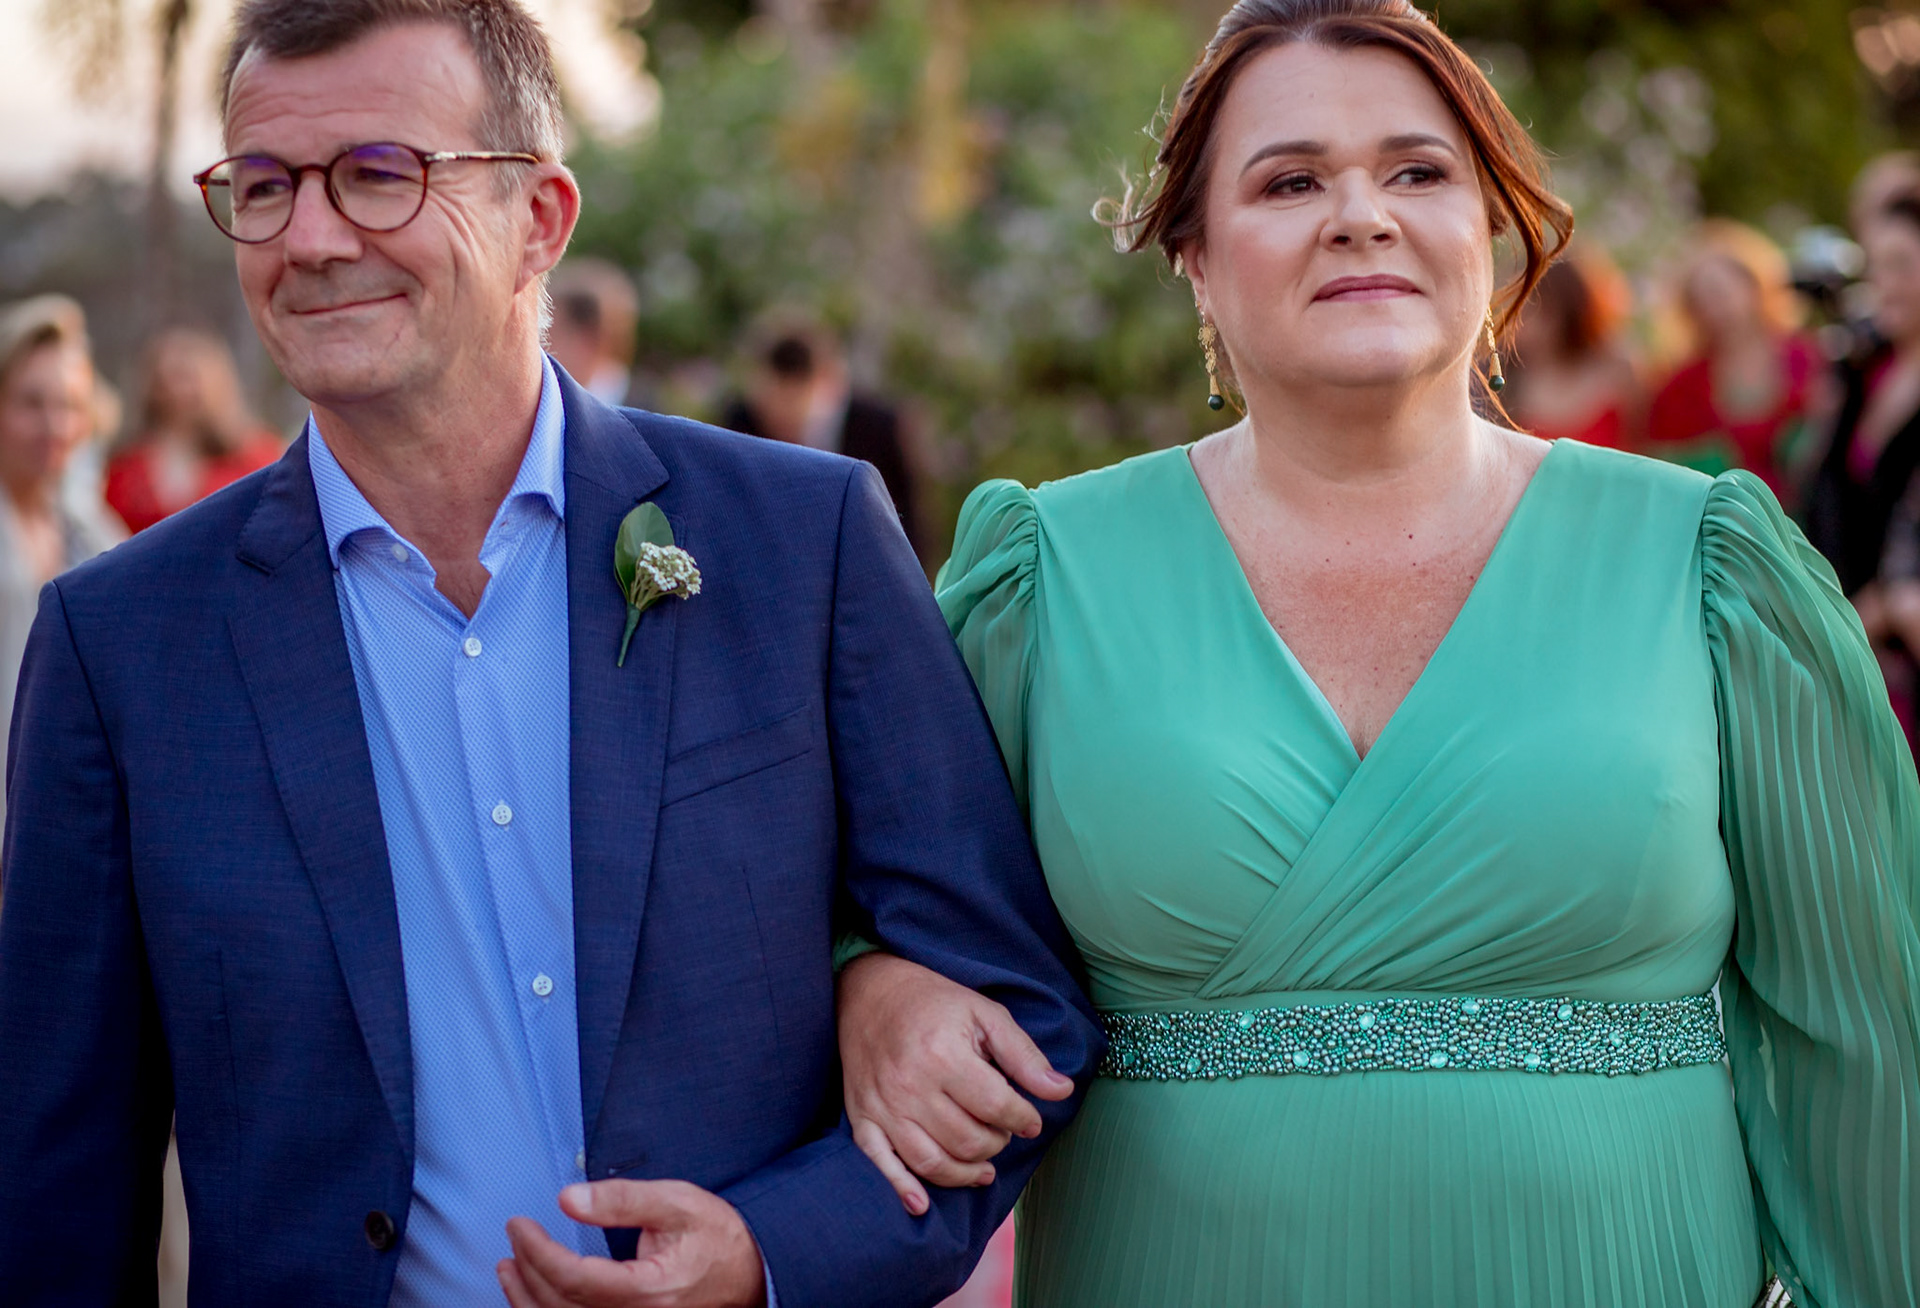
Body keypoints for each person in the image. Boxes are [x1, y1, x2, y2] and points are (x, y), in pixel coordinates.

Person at [0, 3, 1101, 1306]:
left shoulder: (801, 543)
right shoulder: (121, 645)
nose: (309, 238)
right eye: (265, 185)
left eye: (377, 174)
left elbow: (1015, 1006)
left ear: (541, 217)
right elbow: (58, 1182)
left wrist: (771, 1254)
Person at [833, 2, 1920, 1305]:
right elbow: (859, 903)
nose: (1361, 216)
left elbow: (1867, 1041)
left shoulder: (1709, 565)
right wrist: (869, 988)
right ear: (1194, 256)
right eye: (1291, 181)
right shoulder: (1043, 581)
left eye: (1417, 172)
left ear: (1490, 226)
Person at [0, 295, 122, 848]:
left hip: (58, 830)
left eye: (70, 405)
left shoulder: (94, 533)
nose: (54, 425)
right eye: (31, 403)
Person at [1807, 191, 1920, 754]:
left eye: (1901, 264)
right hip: (1854, 647)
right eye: (1875, 266)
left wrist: (1879, 608)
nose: (1884, 283)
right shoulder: (1863, 371)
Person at [1644, 220, 1822, 504]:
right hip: (1727, 521)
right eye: (1700, 300)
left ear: (1754, 285)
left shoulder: (1807, 357)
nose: (1714, 308)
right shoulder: (1681, 387)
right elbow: (1663, 468)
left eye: (1721, 292)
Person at [721, 318, 924, 559]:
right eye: (772, 407)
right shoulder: (741, 423)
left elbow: (909, 517)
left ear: (825, 385)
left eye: (794, 408)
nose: (782, 422)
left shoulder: (877, 428)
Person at [105, 326, 285, 533]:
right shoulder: (128, 465)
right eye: (169, 378)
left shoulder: (255, 454)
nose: (179, 391)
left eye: (187, 377)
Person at [1502, 251, 1642, 448]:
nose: (1518, 323)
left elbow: (1646, 448)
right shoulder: (1508, 383)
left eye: (1530, 309)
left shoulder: (1617, 372)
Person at [545, 256, 646, 407]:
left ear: (587, 338)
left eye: (550, 332)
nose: (542, 345)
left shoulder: (644, 409)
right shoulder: (554, 403)